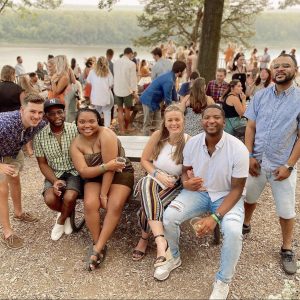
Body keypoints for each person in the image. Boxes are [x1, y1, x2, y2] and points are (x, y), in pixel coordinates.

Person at [154, 105, 249, 300]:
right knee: (170, 216)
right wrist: (187, 182)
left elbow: (238, 189)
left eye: (216, 117)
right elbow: (185, 169)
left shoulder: (238, 148)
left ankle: (223, 281)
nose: (211, 121)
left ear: (224, 121)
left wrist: (215, 217)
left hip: (227, 195)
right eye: (207, 117)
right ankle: (174, 257)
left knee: (232, 231)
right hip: (200, 192)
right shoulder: (193, 143)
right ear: (201, 121)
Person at [243, 54, 300, 275]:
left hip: (282, 167)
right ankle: (245, 225)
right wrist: (248, 156)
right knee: (249, 199)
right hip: (256, 162)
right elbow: (250, 128)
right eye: (276, 66)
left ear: (295, 69)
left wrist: (290, 165)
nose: (279, 69)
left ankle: (286, 248)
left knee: (286, 211)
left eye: (285, 65)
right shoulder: (260, 96)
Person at [70, 108, 134, 271]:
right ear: (76, 123)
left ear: (98, 121)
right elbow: (84, 171)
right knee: (90, 203)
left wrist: (104, 194)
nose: (87, 125)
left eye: (91, 121)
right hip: (96, 174)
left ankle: (97, 249)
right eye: (82, 122)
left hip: (119, 171)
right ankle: (98, 242)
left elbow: (113, 168)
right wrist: (105, 166)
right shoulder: (76, 143)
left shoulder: (106, 134)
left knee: (114, 204)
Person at [132, 105, 189, 273]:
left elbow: (190, 170)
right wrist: (157, 174)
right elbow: (144, 160)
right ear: (164, 122)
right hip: (153, 179)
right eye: (170, 120)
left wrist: (177, 178)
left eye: (177, 119)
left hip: (173, 185)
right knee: (145, 183)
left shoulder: (188, 141)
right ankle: (160, 241)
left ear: (183, 120)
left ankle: (144, 238)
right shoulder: (158, 136)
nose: (173, 123)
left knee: (145, 209)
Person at [0, 94, 46, 249]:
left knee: (15, 179)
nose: (37, 116)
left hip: (12, 150)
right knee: (2, 189)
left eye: (40, 112)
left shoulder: (39, 123)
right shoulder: (5, 124)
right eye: (32, 111)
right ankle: (7, 233)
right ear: (22, 110)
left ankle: (19, 213)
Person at [33, 98, 81, 241]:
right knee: (49, 199)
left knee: (70, 196)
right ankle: (66, 213)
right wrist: (55, 181)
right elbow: (42, 163)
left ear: (64, 112)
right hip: (54, 172)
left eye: (60, 112)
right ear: (46, 116)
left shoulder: (74, 129)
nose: (57, 117)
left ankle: (61, 220)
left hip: (74, 171)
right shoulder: (39, 136)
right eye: (52, 114)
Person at [140, 61, 186, 135]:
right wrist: (172, 109)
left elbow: (173, 91)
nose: (184, 73)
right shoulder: (169, 80)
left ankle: (157, 140)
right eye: (184, 71)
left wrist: (177, 103)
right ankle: (145, 141)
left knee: (158, 122)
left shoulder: (171, 76)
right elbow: (167, 98)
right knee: (148, 124)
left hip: (156, 101)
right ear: (180, 71)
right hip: (148, 100)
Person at [113, 47, 138, 134]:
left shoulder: (116, 62)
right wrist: (135, 92)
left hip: (117, 89)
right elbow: (133, 80)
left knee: (120, 110)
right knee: (127, 110)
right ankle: (127, 127)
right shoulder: (131, 64)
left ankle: (122, 130)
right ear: (130, 53)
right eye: (132, 55)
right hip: (127, 90)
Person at [86, 57, 114, 128]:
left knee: (97, 111)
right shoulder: (108, 72)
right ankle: (107, 128)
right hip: (106, 96)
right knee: (107, 111)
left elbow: (88, 81)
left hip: (96, 97)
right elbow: (111, 84)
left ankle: (97, 127)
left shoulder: (92, 72)